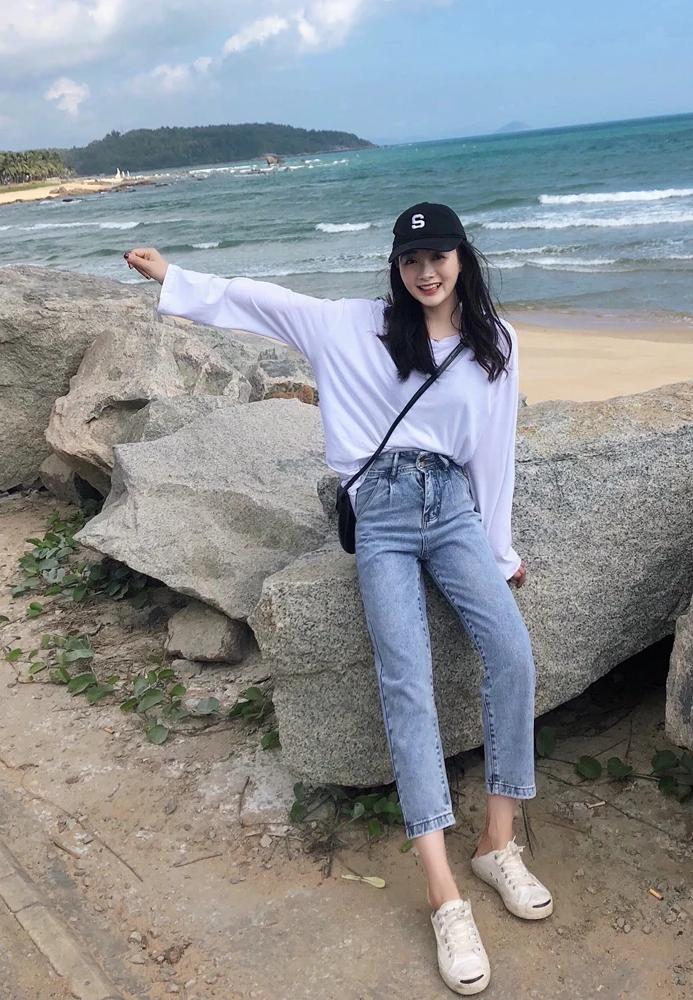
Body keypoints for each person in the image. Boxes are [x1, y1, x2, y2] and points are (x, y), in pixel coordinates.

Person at [124, 202, 553, 996]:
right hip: (381, 515)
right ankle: (444, 893)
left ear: (462, 257)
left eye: (438, 256)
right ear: (396, 268)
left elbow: (494, 454)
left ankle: (497, 843)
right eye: (410, 260)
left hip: (453, 509)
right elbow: (260, 302)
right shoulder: (354, 327)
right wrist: (174, 277)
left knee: (513, 657)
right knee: (406, 683)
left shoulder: (496, 341)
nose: (426, 271)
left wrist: (500, 554)